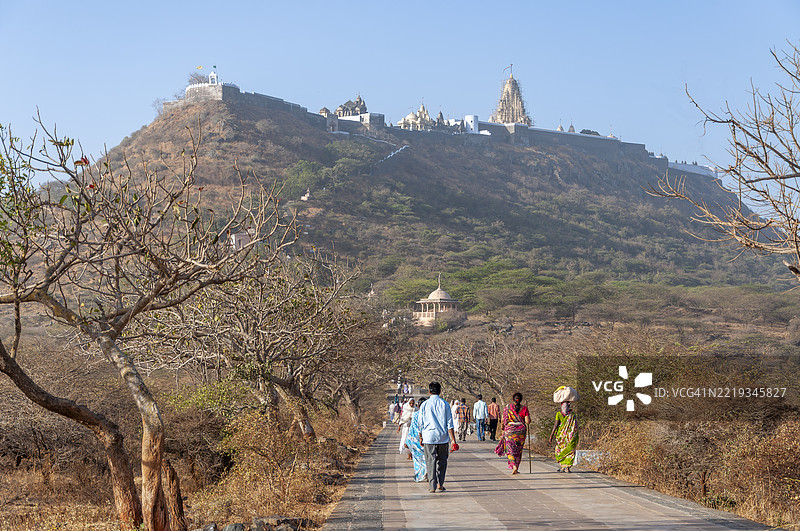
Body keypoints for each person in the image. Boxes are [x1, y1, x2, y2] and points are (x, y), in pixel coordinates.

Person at [417, 381, 457, 493]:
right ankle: (440, 483)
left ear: (429, 391)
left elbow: (420, 423)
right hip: (443, 437)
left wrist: (420, 436)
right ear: (440, 391)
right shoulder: (445, 404)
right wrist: (453, 439)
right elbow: (450, 423)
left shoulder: (424, 405)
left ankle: (432, 486)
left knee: (430, 460)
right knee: (442, 461)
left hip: (428, 437)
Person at [499, 392, 530, 475]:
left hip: (510, 431)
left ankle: (514, 466)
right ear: (521, 400)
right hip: (521, 432)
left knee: (510, 449)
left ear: (513, 399)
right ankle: (517, 466)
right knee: (519, 450)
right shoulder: (524, 408)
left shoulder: (508, 407)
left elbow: (503, 419)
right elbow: (527, 421)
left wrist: (502, 427)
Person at [549, 389, 579, 473]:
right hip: (569, 437)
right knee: (569, 451)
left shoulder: (562, 414)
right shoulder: (572, 414)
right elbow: (575, 427)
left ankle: (564, 467)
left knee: (562, 450)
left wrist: (551, 435)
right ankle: (566, 468)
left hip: (562, 437)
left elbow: (555, 425)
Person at [405, 397, 427, 482]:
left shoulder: (415, 415)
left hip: (416, 441)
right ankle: (427, 472)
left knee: (417, 459)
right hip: (426, 439)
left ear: (418, 405)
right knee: (426, 457)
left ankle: (419, 475)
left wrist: (408, 440)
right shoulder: (428, 415)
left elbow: (412, 429)